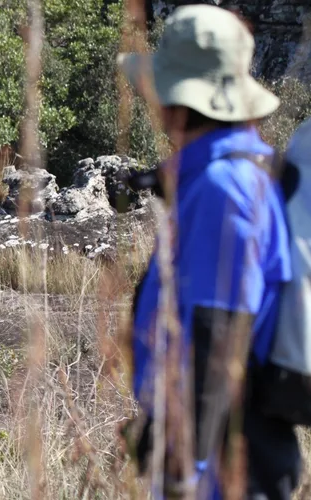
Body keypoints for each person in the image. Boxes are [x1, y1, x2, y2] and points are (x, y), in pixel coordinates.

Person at [119, 4, 296, 499]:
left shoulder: (224, 187)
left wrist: (180, 467)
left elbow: (217, 335)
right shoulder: (232, 172)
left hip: (221, 467)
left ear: (174, 101)